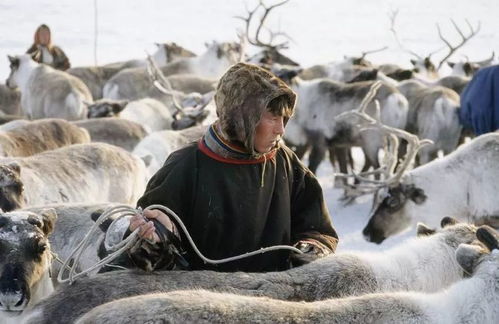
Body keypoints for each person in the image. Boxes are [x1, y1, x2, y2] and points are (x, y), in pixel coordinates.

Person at [127, 62, 339, 273]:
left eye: (284, 118)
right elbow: (153, 253)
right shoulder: (185, 167)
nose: (281, 129)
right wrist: (155, 239)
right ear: (242, 118)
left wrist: (311, 249)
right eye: (273, 118)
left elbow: (316, 229)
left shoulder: (286, 163)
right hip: (206, 300)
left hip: (273, 299)